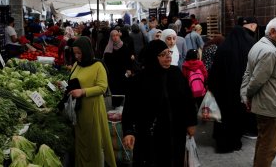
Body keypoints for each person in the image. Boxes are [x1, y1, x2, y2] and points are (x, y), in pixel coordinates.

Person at [122, 40, 197, 167]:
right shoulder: (138, 80)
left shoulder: (175, 74)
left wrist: (191, 122)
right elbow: (130, 108)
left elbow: (188, 100)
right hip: (150, 135)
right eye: (163, 54)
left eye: (169, 52)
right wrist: (128, 131)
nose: (168, 57)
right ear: (152, 58)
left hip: (175, 132)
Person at [240, 17, 276, 167]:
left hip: (267, 105)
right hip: (270, 107)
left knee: (264, 142)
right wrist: (247, 96)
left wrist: (246, 95)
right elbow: (255, 80)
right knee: (269, 147)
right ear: (272, 32)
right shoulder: (269, 52)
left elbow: (248, 74)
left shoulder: (259, 45)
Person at [208, 25, 256, 153]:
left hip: (223, 93)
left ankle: (222, 143)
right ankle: (235, 141)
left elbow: (215, 72)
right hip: (239, 92)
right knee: (237, 118)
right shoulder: (247, 50)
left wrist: (212, 87)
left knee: (223, 117)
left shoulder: (223, 49)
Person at [70, 36, 117, 166]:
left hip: (93, 109)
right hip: (79, 110)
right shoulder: (76, 65)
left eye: (79, 53)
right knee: (81, 140)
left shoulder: (98, 65)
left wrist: (83, 91)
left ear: (86, 51)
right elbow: (75, 82)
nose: (77, 56)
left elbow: (102, 88)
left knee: (94, 141)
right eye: (74, 53)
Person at [103, 30, 132, 107]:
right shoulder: (108, 48)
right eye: (113, 36)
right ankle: (116, 107)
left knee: (123, 90)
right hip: (113, 74)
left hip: (123, 73)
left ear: (119, 36)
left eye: (117, 35)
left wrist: (129, 69)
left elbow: (128, 59)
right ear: (111, 37)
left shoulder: (124, 46)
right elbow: (106, 61)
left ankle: (123, 107)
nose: (115, 37)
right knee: (115, 91)